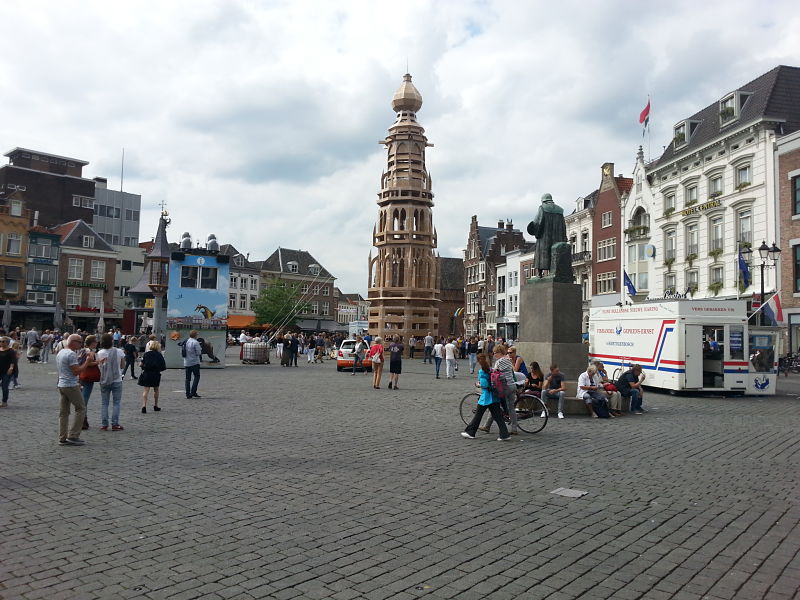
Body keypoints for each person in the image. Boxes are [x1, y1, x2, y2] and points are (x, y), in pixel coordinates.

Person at [461, 353, 510, 441]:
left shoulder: (482, 371)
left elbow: (484, 384)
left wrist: (478, 384)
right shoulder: (491, 370)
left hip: (486, 397)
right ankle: (504, 434)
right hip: (494, 397)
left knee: (478, 416)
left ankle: (470, 432)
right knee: (498, 417)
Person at [56, 334, 89, 445]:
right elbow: (76, 371)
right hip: (70, 385)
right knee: (81, 408)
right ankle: (73, 435)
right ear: (73, 342)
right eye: (80, 342)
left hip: (61, 383)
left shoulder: (61, 352)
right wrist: (87, 363)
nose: (81, 344)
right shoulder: (71, 354)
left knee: (63, 412)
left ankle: (62, 436)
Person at [481, 344, 519, 435]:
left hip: (504, 387)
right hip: (512, 385)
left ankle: (487, 426)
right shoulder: (508, 360)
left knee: (494, 405)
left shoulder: (499, 362)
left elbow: (493, 373)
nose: (494, 355)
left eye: (495, 353)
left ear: (500, 353)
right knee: (511, 408)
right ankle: (514, 429)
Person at [527, 193, 567, 277]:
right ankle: (552, 272)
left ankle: (539, 273)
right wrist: (564, 237)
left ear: (543, 201)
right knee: (554, 253)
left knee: (541, 254)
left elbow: (537, 222)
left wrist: (535, 231)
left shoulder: (542, 208)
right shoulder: (560, 210)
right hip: (557, 238)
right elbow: (563, 225)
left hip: (544, 238)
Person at [96, 333, 125, 431]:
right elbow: (122, 366)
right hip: (117, 379)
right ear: (112, 341)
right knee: (116, 403)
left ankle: (104, 424)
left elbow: (99, 366)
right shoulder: (119, 351)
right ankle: (115, 424)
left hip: (104, 379)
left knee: (104, 403)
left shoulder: (100, 353)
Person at [78, 335, 101, 429]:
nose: (97, 343)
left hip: (81, 375)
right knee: (85, 399)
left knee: (83, 398)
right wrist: (98, 362)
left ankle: (83, 420)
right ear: (92, 343)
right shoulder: (90, 351)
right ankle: (82, 420)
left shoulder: (82, 350)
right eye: (95, 342)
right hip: (88, 376)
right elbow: (88, 363)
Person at [138, 341, 167, 413]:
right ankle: (155, 405)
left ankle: (144, 405)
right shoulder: (159, 355)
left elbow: (141, 364)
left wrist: (143, 366)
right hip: (156, 374)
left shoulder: (146, 354)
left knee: (146, 390)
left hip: (147, 373)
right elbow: (163, 366)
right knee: (156, 389)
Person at [183, 330, 202, 398]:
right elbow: (198, 353)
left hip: (187, 362)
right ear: (195, 335)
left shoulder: (186, 341)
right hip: (194, 362)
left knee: (187, 379)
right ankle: (193, 392)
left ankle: (187, 394)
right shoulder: (195, 342)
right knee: (196, 376)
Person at [0, 336, 18, 407]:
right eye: (0, 341)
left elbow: (13, 360)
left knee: (4, 386)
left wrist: (11, 368)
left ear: (7, 343)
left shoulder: (11, 351)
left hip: (7, 371)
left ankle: (4, 401)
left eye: (3, 341)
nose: (1, 343)